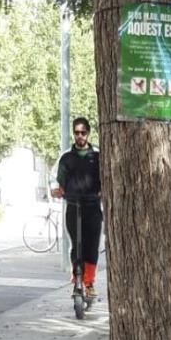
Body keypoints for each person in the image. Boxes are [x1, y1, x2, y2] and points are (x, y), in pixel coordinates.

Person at [51, 117, 103, 296]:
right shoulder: (66, 158)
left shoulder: (97, 157)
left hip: (92, 206)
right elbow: (59, 181)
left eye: (83, 132)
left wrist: (102, 192)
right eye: (77, 132)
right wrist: (56, 190)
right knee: (77, 245)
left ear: (88, 133)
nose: (80, 136)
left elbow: (104, 180)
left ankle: (89, 283)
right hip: (73, 206)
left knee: (91, 245)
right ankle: (77, 279)